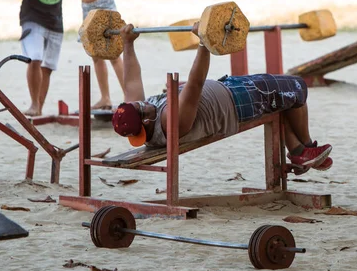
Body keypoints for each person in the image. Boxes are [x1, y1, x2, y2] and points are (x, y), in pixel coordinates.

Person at [111, 23, 333, 171]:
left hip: (228, 87)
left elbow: (131, 80)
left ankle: (298, 152)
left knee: (282, 99)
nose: (143, 102)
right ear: (146, 121)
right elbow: (196, 83)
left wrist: (128, 43)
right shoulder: (171, 121)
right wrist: (202, 43)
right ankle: (306, 148)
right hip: (238, 102)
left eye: (136, 102)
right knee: (297, 87)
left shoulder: (138, 116)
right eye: (142, 107)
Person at [39, 0, 125, 110]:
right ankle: (105, 98)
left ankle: (129, 96)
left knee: (114, 54)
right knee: (96, 55)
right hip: (87, 9)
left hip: (103, 5)